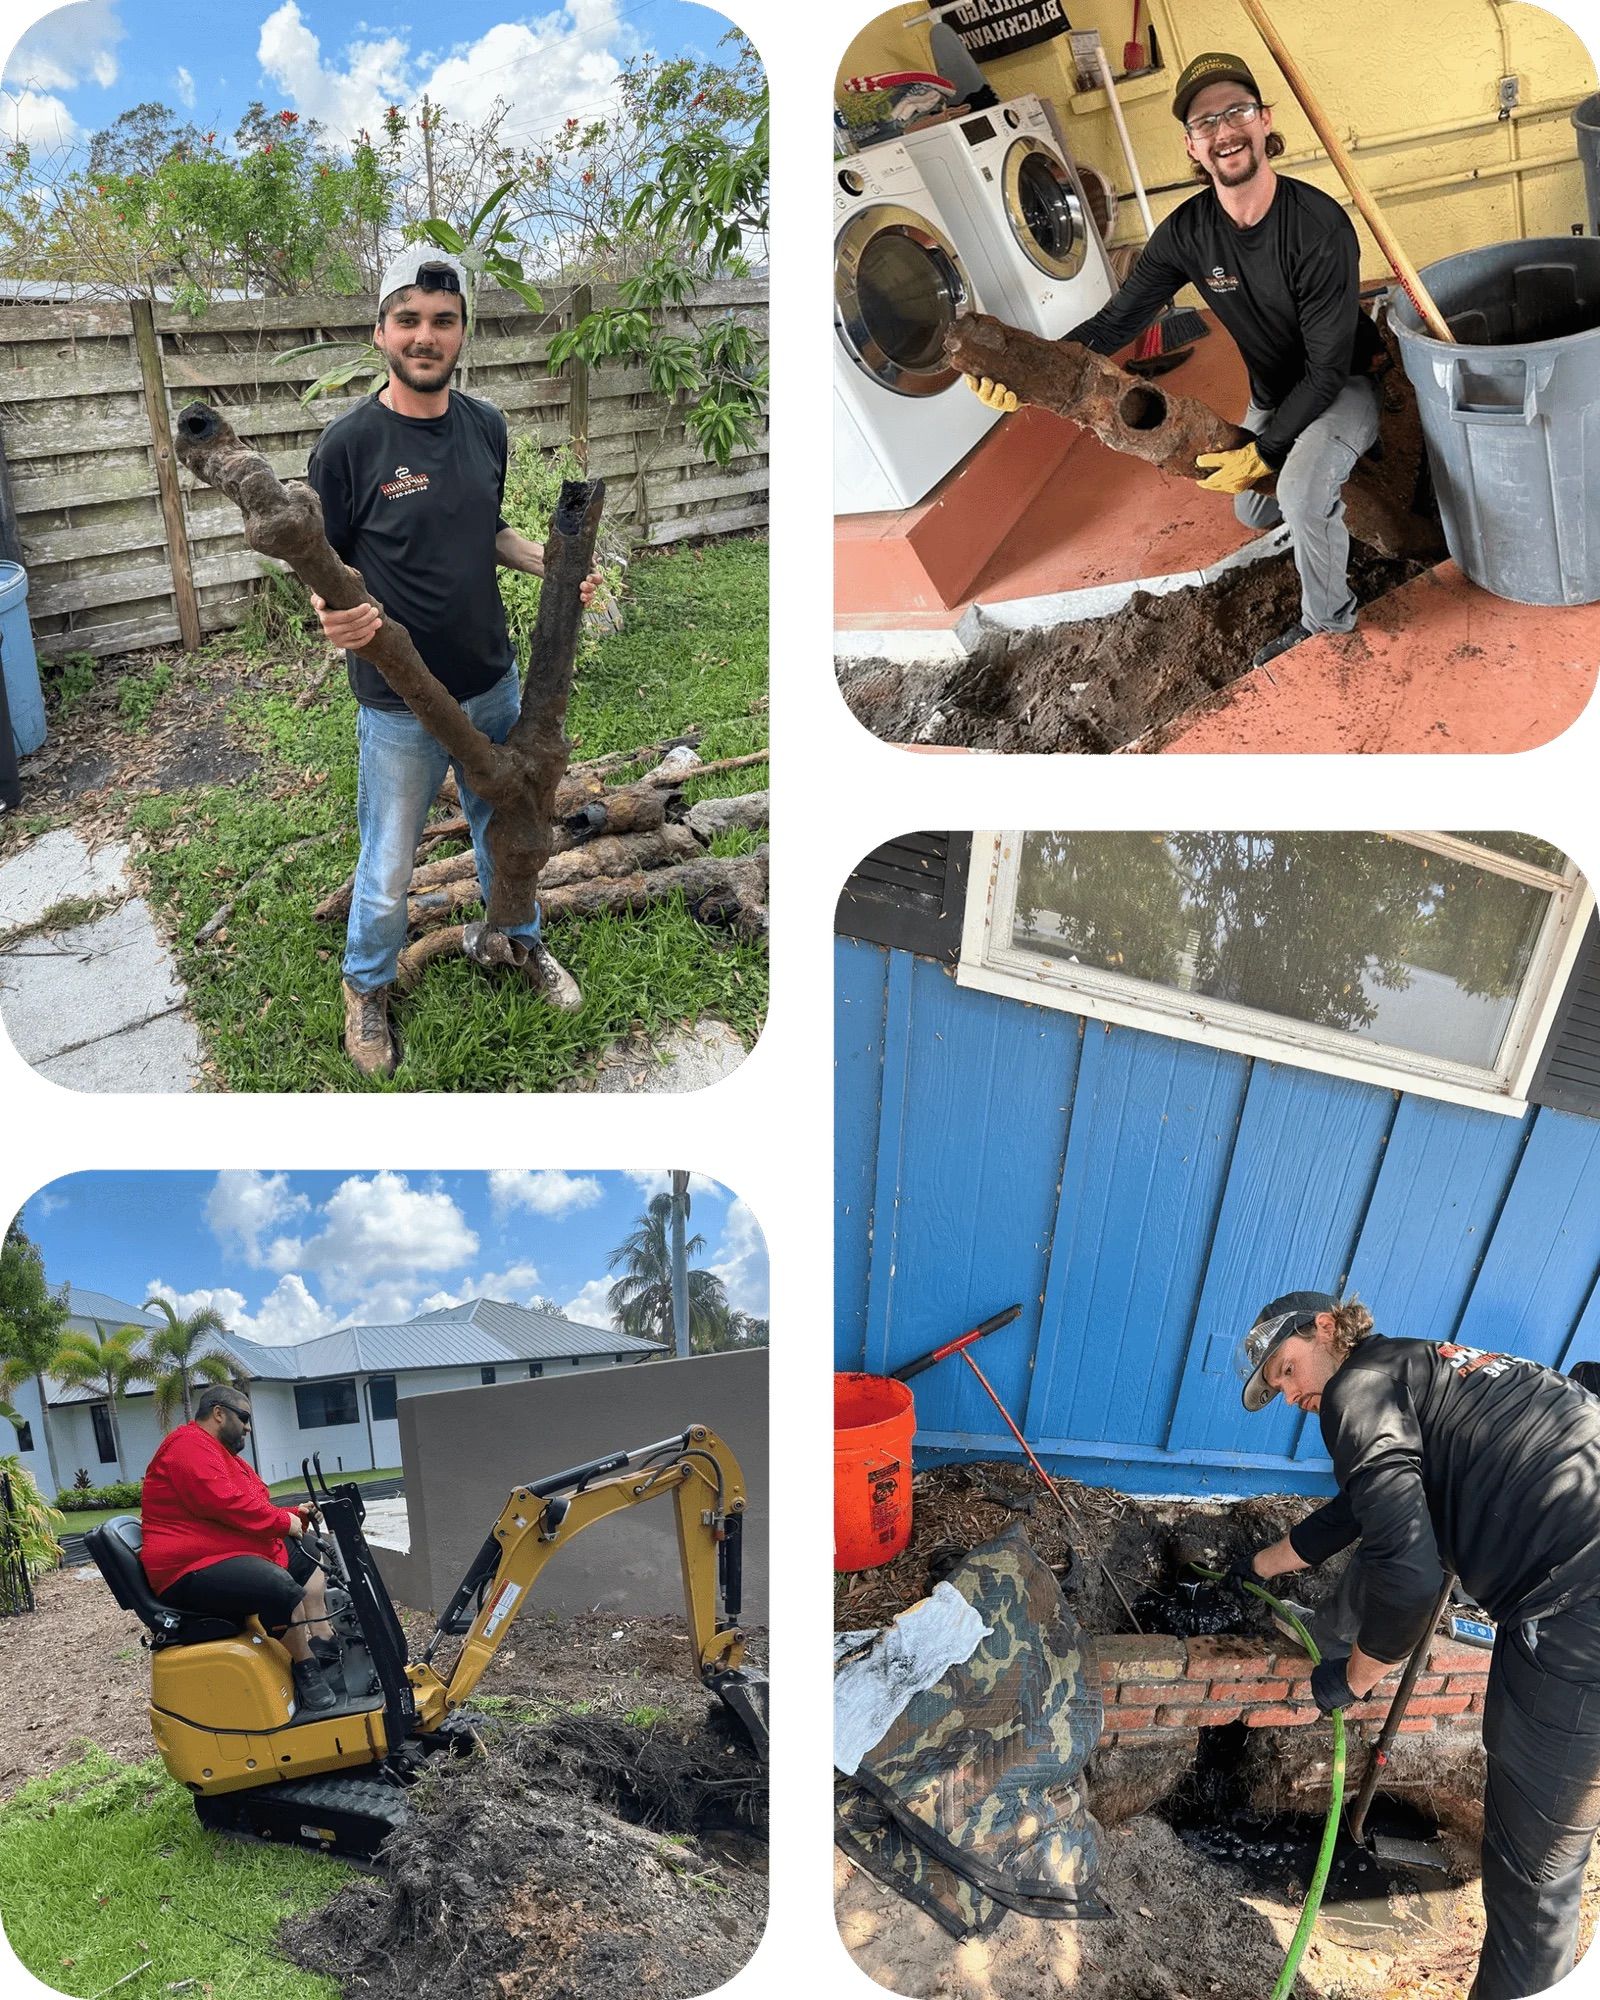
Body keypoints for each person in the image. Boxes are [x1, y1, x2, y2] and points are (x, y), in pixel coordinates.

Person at [1231, 1290, 1600, 2000]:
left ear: (1326, 1329)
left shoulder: (1356, 1391)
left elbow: (1408, 1582)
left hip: (1577, 1606)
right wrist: (1264, 1565)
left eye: (1286, 1368)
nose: (1288, 1394)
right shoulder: (1413, 1364)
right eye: (1275, 1385)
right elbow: (1359, 1509)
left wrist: (1353, 1678)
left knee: (1535, 1878)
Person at [967, 51, 1387, 670]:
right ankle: (1327, 469)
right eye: (1204, 123)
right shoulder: (1187, 232)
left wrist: (1270, 451)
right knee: (1251, 507)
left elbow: (1326, 371)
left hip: (1343, 383)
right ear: (1191, 146)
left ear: (1264, 120)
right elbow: (1117, 322)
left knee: (1294, 489)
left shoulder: (1317, 226)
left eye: (1236, 111)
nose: (1224, 131)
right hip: (1274, 392)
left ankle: (1328, 621)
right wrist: (1026, 374)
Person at [306, 248, 602, 1078]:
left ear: (463, 331)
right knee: (390, 857)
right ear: (381, 334)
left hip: (489, 682)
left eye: (442, 321)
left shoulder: (485, 426)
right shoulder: (349, 446)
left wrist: (552, 562)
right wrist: (330, 616)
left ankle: (517, 939)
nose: (426, 336)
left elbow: (488, 531)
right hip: (399, 702)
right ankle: (366, 987)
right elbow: (318, 569)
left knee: (510, 830)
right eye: (409, 321)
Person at [140, 1385, 341, 1714]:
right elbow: (225, 1503)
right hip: (187, 1569)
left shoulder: (220, 1454)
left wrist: (295, 1516)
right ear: (219, 1413)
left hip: (217, 1552)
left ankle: (322, 1636)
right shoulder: (187, 1446)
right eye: (244, 1417)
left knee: (307, 1546)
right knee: (275, 1584)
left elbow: (251, 1504)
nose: (248, 1426)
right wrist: (280, 1521)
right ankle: (306, 1668)